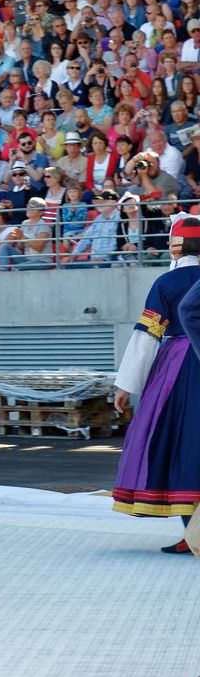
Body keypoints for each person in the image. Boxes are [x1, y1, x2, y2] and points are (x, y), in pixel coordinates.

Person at [111, 215, 200, 551]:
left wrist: (126, 384)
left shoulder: (167, 282)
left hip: (177, 366)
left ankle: (191, 534)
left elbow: (147, 335)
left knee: (177, 444)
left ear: (175, 246)